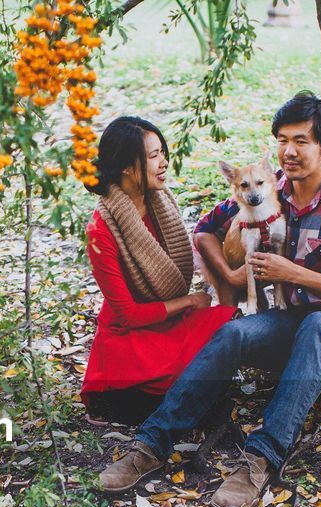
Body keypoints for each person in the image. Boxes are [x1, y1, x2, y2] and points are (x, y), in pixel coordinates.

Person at [98, 92, 321, 507]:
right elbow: (206, 229)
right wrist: (231, 275)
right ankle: (151, 444)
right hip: (292, 322)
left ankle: (260, 460)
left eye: (301, 141)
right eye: (282, 139)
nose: (289, 151)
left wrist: (294, 274)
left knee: (318, 326)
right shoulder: (269, 190)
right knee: (232, 333)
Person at [80, 116, 237, 426]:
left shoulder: (160, 200)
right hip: (132, 338)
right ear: (126, 166)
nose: (164, 162)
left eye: (162, 152)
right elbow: (128, 315)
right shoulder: (100, 230)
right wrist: (190, 302)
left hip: (167, 321)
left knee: (231, 332)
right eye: (153, 156)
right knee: (202, 385)